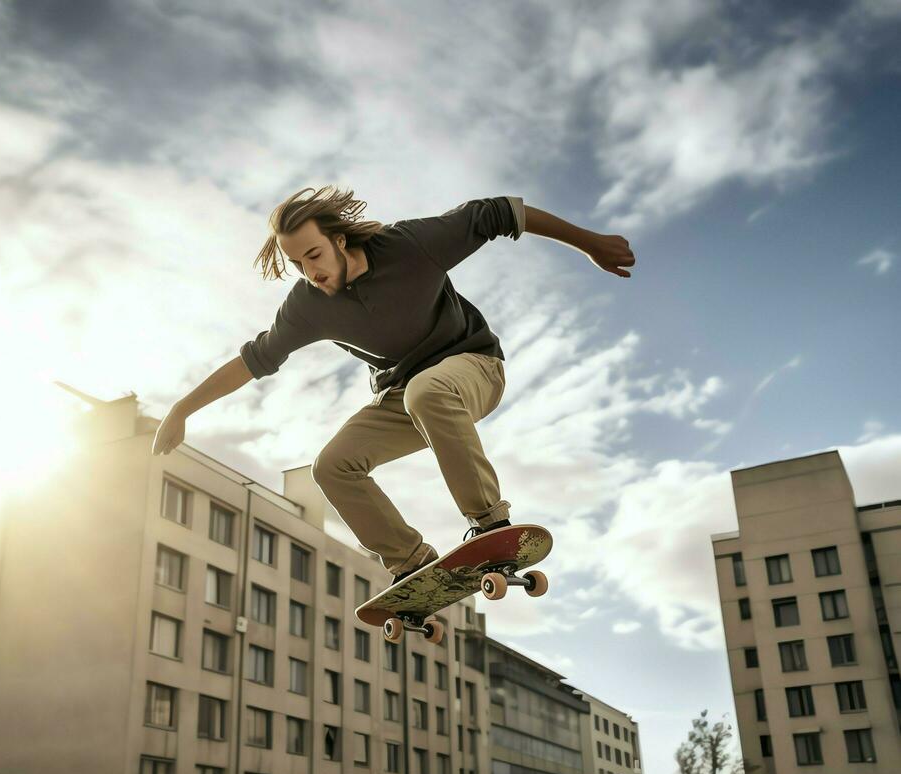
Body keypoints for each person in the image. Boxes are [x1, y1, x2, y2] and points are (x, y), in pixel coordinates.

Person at [152, 186, 634, 585]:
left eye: (315, 255)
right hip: (403, 396)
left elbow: (501, 213)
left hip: (475, 367)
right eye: (298, 265)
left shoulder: (409, 245)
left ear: (340, 239)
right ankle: (411, 562)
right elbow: (251, 361)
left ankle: (490, 524)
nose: (311, 273)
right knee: (333, 466)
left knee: (430, 390)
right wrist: (182, 409)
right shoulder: (307, 306)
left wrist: (589, 242)